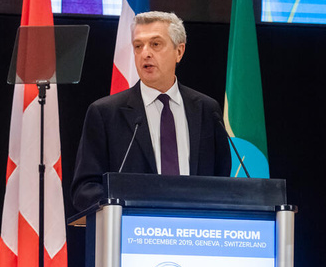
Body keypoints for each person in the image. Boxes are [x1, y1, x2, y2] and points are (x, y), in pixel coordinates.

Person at [71, 11, 231, 211]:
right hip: (133, 234)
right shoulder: (106, 113)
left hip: (195, 232)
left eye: (155, 44)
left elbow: (222, 181)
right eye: (138, 46)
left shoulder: (207, 110)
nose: (145, 53)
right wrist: (120, 210)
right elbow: (85, 189)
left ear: (179, 51)